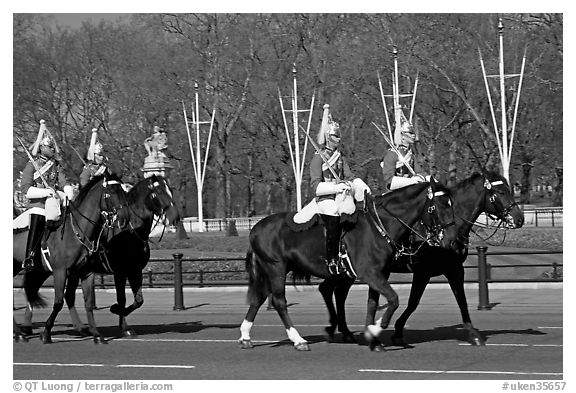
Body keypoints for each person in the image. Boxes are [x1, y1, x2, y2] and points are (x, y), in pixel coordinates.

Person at [309, 104, 364, 275]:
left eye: (339, 136)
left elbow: (348, 175)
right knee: (333, 216)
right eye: (335, 136)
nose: (338, 139)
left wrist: (357, 183)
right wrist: (335, 187)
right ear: (328, 137)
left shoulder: (340, 157)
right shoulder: (318, 158)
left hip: (341, 196)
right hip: (325, 199)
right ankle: (331, 258)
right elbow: (316, 186)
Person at [20, 120, 73, 271]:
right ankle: (29, 256)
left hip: (54, 200)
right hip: (38, 203)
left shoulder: (56, 165)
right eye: (50, 147)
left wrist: (68, 190)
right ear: (42, 148)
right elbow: (25, 188)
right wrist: (44, 192)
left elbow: (63, 181)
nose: (53, 150)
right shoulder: (32, 165)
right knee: (38, 216)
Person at [381, 120, 425, 191]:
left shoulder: (412, 154)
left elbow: (419, 172)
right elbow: (389, 180)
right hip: (394, 188)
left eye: (413, 133)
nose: (413, 135)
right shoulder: (392, 154)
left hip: (409, 187)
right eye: (410, 133)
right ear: (403, 135)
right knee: (416, 181)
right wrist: (413, 181)